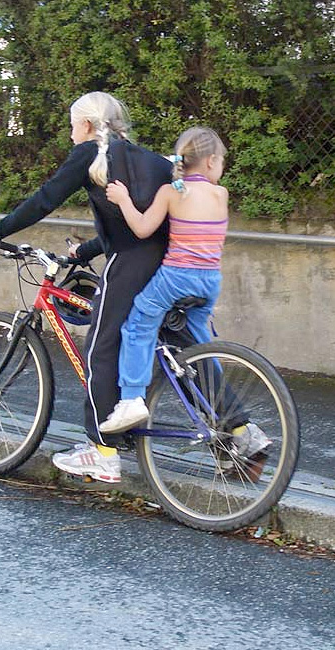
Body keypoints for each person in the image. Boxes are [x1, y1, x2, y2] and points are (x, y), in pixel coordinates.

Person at [0, 90, 180, 484]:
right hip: (167, 261)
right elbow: (130, 221)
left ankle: (102, 451)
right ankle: (240, 431)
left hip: (130, 261)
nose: (71, 135)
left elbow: (45, 199)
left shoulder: (90, 154)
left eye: (72, 126)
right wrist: (82, 252)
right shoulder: (147, 158)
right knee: (178, 343)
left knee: (99, 346)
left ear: (86, 125)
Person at [100, 126, 272, 468]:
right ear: (210, 162)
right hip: (209, 282)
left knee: (137, 325)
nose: (222, 167)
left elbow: (142, 229)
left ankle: (132, 398)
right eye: (222, 160)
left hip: (176, 278)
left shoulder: (171, 192)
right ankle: (223, 413)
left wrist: (123, 201)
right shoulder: (220, 194)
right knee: (201, 347)